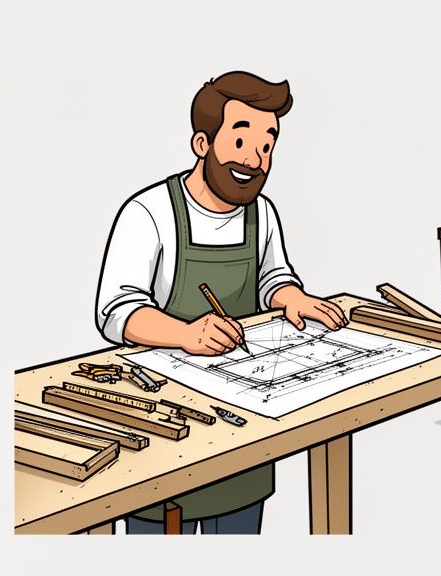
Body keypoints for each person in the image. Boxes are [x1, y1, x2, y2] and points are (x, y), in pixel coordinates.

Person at [95, 71, 348, 534]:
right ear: (202, 143)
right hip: (163, 419)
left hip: (244, 417)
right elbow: (115, 311)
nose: (256, 158)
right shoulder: (149, 212)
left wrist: (293, 299)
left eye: (268, 144)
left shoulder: (262, 213)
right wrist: (186, 334)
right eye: (241, 139)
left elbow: (273, 277)